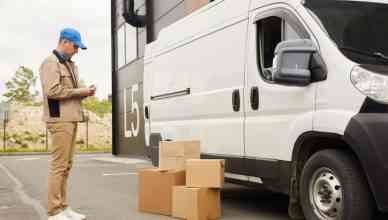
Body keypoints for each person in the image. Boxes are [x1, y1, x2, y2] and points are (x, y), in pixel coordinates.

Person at [39, 28, 96, 220]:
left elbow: (68, 92)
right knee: (59, 166)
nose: (77, 50)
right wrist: (81, 92)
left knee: (66, 165)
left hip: (70, 118)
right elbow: (53, 91)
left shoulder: (69, 64)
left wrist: (85, 91)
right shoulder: (50, 62)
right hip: (59, 119)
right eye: (75, 46)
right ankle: (54, 211)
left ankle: (63, 207)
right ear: (64, 42)